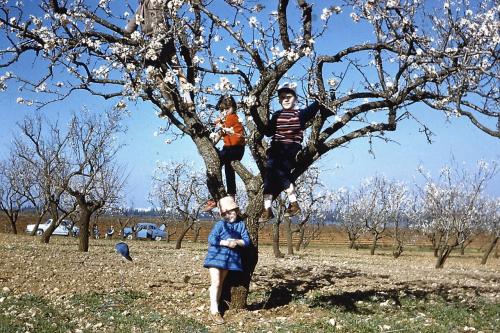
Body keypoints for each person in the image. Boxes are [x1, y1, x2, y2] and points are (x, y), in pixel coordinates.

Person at [259, 83, 321, 222]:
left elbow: (314, 107)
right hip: (276, 148)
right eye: (282, 97)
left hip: (291, 147)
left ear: (295, 98)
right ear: (279, 100)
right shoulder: (277, 115)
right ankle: (267, 209)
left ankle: (294, 203)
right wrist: (254, 112)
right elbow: (268, 132)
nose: (286, 99)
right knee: (269, 176)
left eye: (289, 96)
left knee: (282, 172)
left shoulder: (300, 114)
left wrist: (321, 97)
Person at [203, 196, 250, 325]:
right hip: (216, 257)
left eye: (231, 212)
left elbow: (246, 241)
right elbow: (211, 239)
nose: (229, 215)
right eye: (226, 213)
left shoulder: (241, 225)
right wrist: (225, 242)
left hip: (229, 259)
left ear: (236, 210)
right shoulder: (220, 224)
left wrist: (236, 242)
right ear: (223, 214)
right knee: (216, 282)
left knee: (221, 284)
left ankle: (215, 306)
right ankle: (214, 310)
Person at [203, 95, 246, 211]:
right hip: (230, 149)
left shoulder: (232, 117)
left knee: (219, 168)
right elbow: (220, 133)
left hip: (235, 148)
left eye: (227, 108)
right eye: (222, 110)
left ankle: (218, 197)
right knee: (227, 170)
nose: (225, 112)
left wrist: (216, 125)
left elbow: (220, 131)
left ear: (234, 108)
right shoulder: (225, 120)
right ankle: (229, 197)